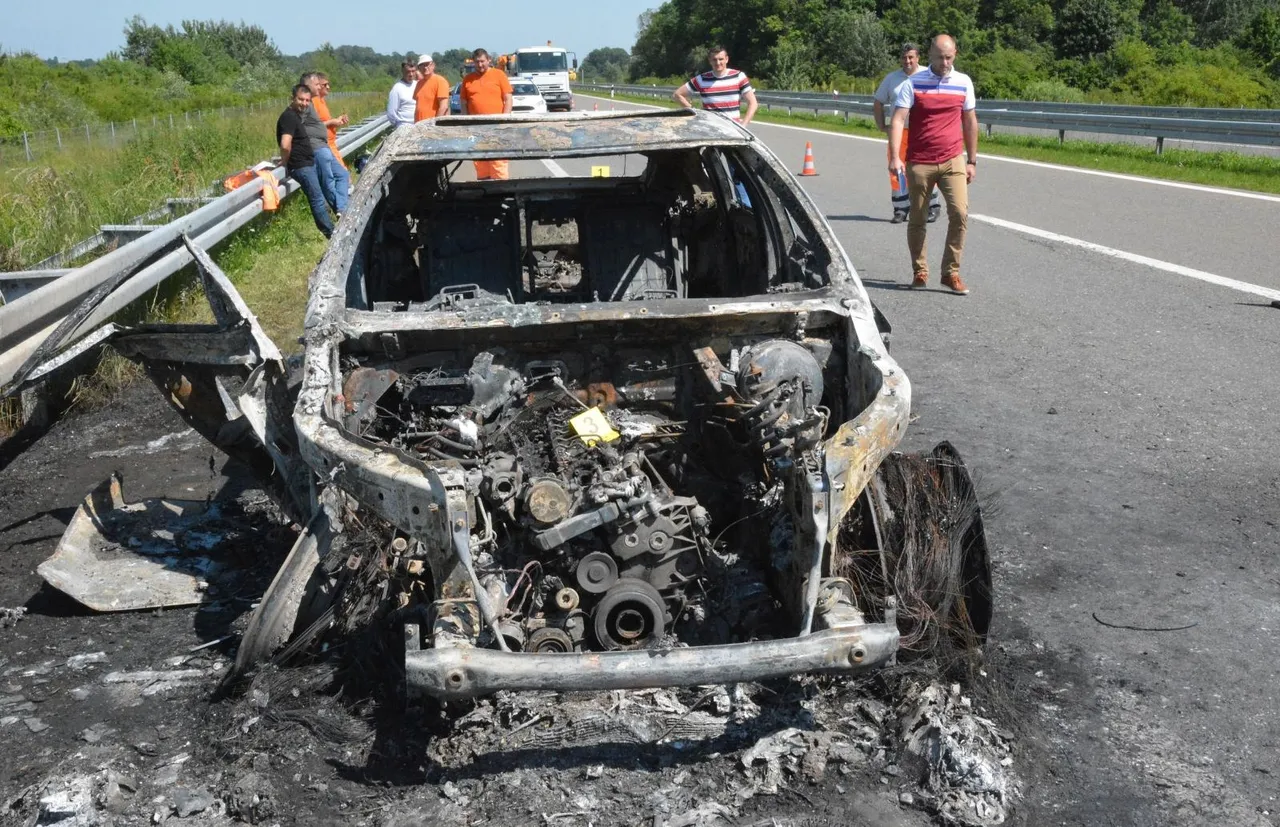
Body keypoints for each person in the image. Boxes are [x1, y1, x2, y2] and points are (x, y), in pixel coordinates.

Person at [888, 34, 978, 296]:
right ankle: (920, 270)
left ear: (955, 54)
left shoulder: (963, 83)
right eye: (940, 57)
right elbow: (897, 120)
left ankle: (951, 273)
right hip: (920, 161)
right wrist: (895, 156)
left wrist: (971, 160)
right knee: (917, 218)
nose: (945, 62)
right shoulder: (913, 83)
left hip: (953, 159)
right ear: (930, 55)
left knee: (960, 213)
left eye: (949, 57)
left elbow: (970, 121)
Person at [873, 44, 941, 225]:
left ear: (918, 58)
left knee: (928, 169)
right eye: (904, 57)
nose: (907, 61)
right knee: (897, 170)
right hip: (899, 132)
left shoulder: (930, 74)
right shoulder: (892, 78)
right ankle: (901, 208)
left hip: (923, 132)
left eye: (911, 57)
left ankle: (932, 206)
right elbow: (878, 102)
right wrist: (882, 126)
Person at [276, 85, 333, 238]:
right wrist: (285, 161)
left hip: (307, 163)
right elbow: (285, 144)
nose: (304, 103)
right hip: (301, 166)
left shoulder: (296, 116)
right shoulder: (288, 117)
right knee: (318, 200)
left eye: (307, 100)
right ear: (292, 98)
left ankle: (332, 229)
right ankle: (332, 235)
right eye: (301, 99)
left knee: (319, 197)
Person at [302, 72, 351, 217]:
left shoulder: (318, 101)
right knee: (328, 181)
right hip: (318, 147)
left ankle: (342, 208)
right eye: (319, 84)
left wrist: (336, 122)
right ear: (307, 86)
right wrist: (332, 122)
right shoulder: (307, 103)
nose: (324, 87)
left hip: (325, 145)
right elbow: (304, 128)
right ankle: (341, 211)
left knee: (342, 174)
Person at [459, 48, 513, 179]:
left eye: (482, 61)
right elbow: (463, 103)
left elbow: (508, 99)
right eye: (477, 62)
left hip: (497, 126)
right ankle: (484, 187)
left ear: (488, 60)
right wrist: (467, 122)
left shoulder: (499, 75)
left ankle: (501, 189)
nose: (480, 65)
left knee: (498, 160)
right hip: (476, 127)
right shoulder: (468, 79)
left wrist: (504, 120)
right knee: (480, 159)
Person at [673, 45, 758, 125]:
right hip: (711, 129)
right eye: (714, 59)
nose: (718, 63)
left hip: (733, 129)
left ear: (727, 59)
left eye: (721, 59)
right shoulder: (702, 79)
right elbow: (677, 95)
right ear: (710, 61)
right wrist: (693, 110)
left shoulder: (738, 76)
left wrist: (743, 125)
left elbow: (753, 103)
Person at [413, 52, 450, 122]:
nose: (425, 67)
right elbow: (417, 107)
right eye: (422, 65)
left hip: (433, 127)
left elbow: (443, 107)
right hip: (419, 126)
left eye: (427, 64)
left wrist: (435, 124)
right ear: (419, 68)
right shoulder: (419, 84)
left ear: (433, 65)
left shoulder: (440, 81)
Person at [387, 60, 420, 127]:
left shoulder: (418, 85)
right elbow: (391, 113)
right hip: (404, 126)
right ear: (402, 71)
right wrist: (398, 126)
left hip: (418, 125)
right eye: (408, 71)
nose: (411, 74)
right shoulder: (397, 88)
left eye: (413, 71)